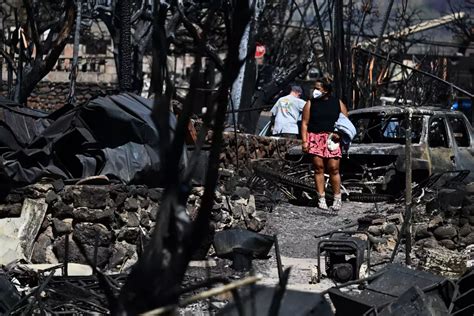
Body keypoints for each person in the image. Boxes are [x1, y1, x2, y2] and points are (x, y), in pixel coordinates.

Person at [301, 78, 348, 211]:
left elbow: (345, 121)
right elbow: (304, 123)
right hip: (315, 137)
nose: (314, 91)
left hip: (332, 138)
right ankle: (321, 198)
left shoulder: (337, 103)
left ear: (326, 90)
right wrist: (305, 141)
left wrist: (341, 134)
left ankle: (337, 197)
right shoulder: (311, 103)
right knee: (318, 167)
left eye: (318, 88)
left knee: (334, 168)